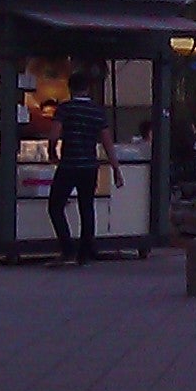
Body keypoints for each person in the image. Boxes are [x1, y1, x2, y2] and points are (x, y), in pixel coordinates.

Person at [48, 68, 120, 265]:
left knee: (55, 206)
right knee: (86, 207)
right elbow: (106, 142)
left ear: (70, 88)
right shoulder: (97, 111)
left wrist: (52, 152)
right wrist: (116, 169)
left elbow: (54, 135)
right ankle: (84, 253)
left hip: (69, 164)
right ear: (88, 89)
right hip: (90, 165)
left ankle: (67, 248)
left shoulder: (64, 109)